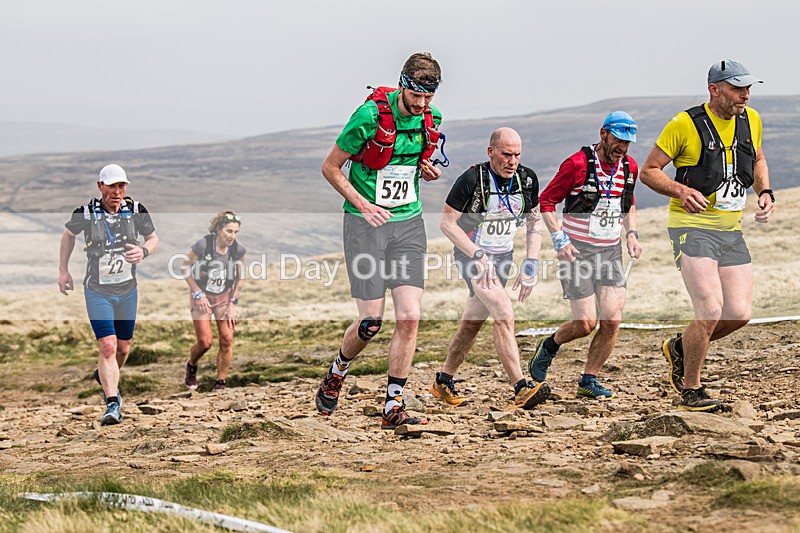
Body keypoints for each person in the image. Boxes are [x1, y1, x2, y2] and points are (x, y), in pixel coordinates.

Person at [314, 52, 443, 430]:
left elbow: (407, 163)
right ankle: (337, 370)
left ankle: (393, 406)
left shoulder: (431, 118)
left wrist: (424, 168)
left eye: (428, 98)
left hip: (408, 223)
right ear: (402, 85)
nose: (421, 105)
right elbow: (330, 167)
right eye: (416, 96)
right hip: (365, 225)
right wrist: (363, 204)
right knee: (371, 323)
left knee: (410, 316)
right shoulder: (368, 117)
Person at [640, 60, 773, 412]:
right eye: (737, 88)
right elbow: (649, 171)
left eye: (748, 88)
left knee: (738, 313)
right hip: (691, 227)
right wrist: (681, 190)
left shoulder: (751, 119)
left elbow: (758, 158)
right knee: (710, 308)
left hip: (731, 230)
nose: (745, 95)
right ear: (714, 89)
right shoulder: (684, 124)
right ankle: (691, 389)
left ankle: (680, 347)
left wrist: (765, 191)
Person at [431, 128, 550, 409]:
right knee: (503, 312)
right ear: (491, 152)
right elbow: (447, 223)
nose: (512, 161)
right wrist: (478, 254)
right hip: (472, 256)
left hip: (503, 258)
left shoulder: (527, 179)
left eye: (517, 155)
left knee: (472, 323)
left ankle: (443, 381)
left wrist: (531, 262)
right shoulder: (472, 179)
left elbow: (534, 222)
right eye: (506, 154)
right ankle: (521, 387)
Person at [531, 112, 643, 399]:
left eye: (627, 143)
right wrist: (559, 238)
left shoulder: (629, 166)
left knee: (612, 320)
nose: (622, 148)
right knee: (585, 324)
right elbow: (547, 202)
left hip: (610, 251)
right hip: (577, 252)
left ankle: (589, 380)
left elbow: (628, 202)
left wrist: (631, 233)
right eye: (618, 140)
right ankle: (550, 345)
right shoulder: (577, 164)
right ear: (603, 133)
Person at [58, 164, 158, 425]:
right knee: (108, 345)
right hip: (97, 291)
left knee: (123, 348)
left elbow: (153, 238)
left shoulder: (136, 211)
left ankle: (104, 376)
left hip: (127, 290)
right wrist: (63, 271)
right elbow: (68, 235)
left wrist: (144, 251)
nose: (117, 191)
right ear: (100, 186)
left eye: (121, 186)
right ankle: (112, 404)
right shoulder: (85, 213)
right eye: (112, 186)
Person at [181, 211, 246, 392]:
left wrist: (232, 304)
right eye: (229, 231)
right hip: (202, 296)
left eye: (236, 232)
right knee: (205, 342)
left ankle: (220, 383)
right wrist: (197, 293)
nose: (232, 236)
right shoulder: (203, 245)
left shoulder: (238, 250)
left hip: (224, 297)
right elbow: (184, 267)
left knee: (227, 339)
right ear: (218, 229)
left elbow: (240, 278)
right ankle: (192, 365)